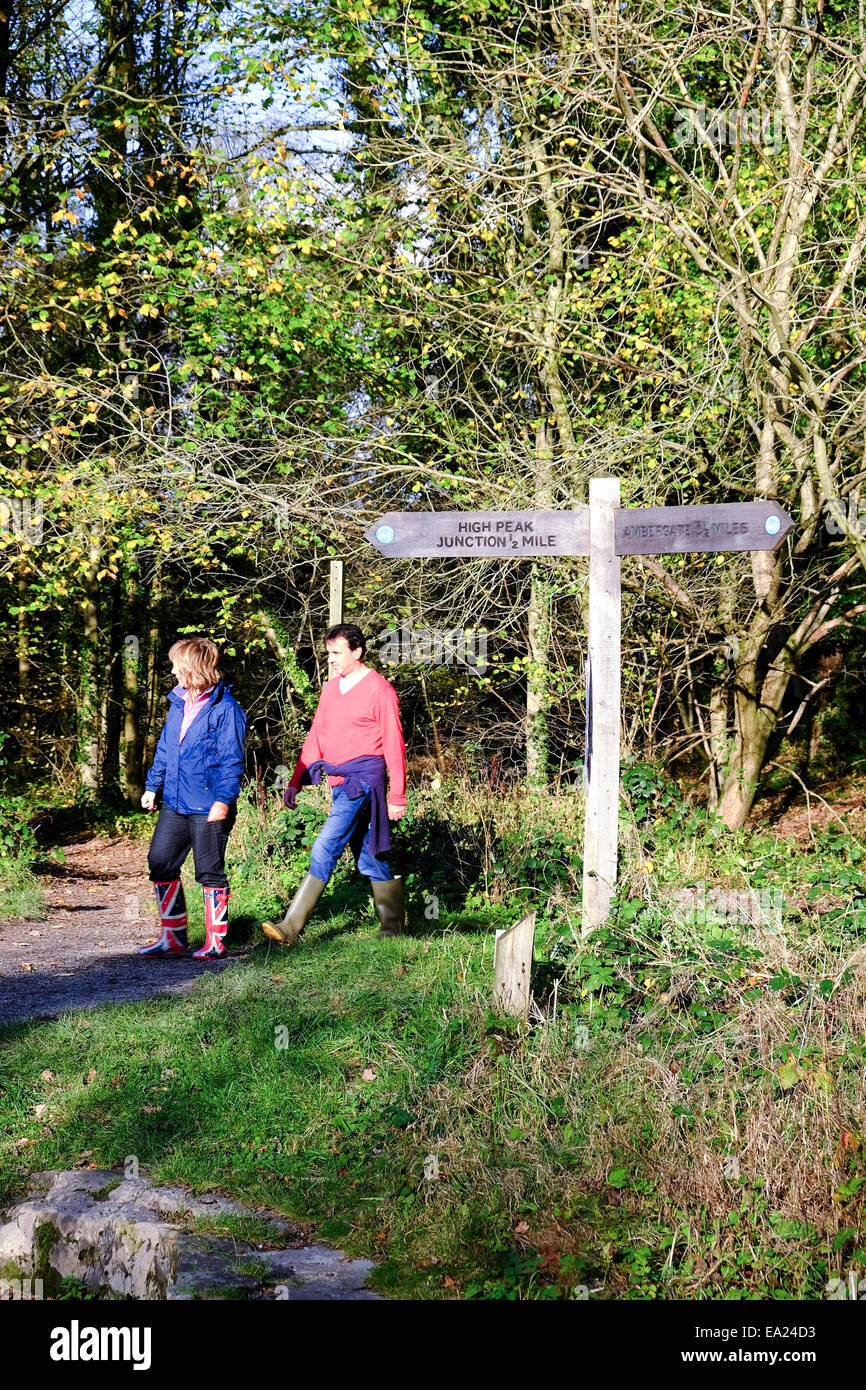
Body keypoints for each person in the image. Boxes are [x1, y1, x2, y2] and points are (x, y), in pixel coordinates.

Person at [262, 623, 407, 947]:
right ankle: (394, 928)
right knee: (369, 856)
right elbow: (317, 736)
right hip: (339, 782)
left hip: (363, 782)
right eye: (328, 653)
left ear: (357, 652)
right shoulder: (330, 690)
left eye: (336, 653)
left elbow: (395, 745)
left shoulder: (379, 690)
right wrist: (296, 781)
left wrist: (397, 794)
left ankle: (291, 927)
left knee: (324, 846)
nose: (331, 660)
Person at [138, 637, 247, 959]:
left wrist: (224, 800)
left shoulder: (226, 709)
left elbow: (232, 760)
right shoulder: (178, 702)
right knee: (160, 862)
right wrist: (151, 785)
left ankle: (216, 942)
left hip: (210, 803)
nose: (172, 671)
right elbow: (166, 748)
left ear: (193, 668)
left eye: (177, 666)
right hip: (174, 800)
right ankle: (173, 937)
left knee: (208, 871)